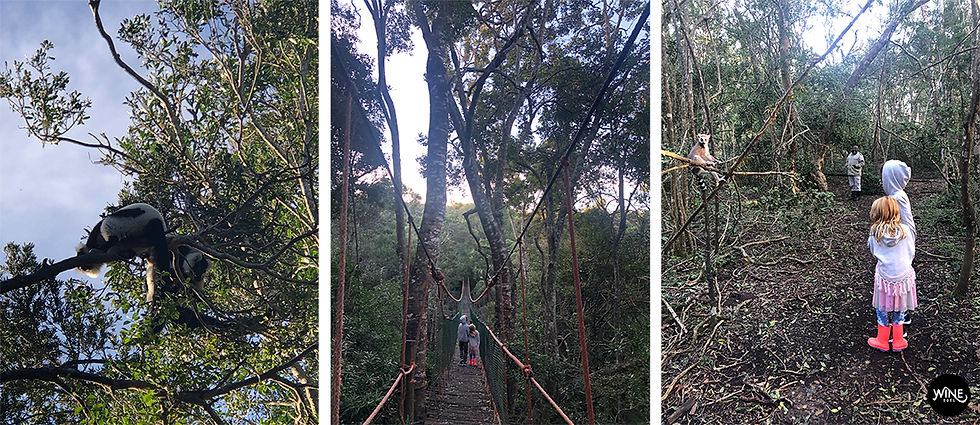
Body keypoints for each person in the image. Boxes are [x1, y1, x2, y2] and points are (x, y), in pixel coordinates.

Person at [866, 197, 917, 352]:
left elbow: (874, 252)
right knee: (900, 307)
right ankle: (898, 340)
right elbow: (911, 251)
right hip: (904, 275)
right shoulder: (906, 230)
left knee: (881, 307)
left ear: (877, 213)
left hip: (884, 275)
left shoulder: (875, 231)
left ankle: (882, 340)